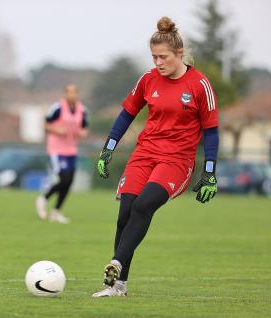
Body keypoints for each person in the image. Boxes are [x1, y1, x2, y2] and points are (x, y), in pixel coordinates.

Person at [92, 17, 219, 297]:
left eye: (163, 57)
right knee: (125, 211)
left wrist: (209, 172)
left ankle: (116, 264)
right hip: (145, 153)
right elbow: (127, 113)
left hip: (177, 161)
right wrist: (108, 148)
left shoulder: (199, 85)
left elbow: (211, 131)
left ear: (179, 54)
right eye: (154, 57)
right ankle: (118, 287)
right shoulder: (148, 79)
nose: (158, 62)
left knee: (143, 205)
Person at [35, 84, 89, 224]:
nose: (72, 95)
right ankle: (43, 199)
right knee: (64, 179)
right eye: (69, 92)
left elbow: (85, 129)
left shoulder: (82, 110)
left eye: (75, 92)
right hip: (57, 150)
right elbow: (45, 125)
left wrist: (81, 133)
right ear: (65, 94)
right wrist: (56, 130)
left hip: (71, 149)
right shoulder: (57, 108)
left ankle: (56, 212)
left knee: (69, 182)